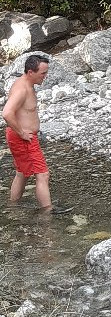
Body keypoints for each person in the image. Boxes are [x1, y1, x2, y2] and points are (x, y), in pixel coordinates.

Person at [2, 54, 53, 210]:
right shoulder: (22, 89)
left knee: (22, 173)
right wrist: (23, 134)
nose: (45, 76)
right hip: (24, 138)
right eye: (43, 73)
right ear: (31, 72)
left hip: (19, 136)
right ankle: (48, 213)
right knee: (43, 174)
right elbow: (6, 113)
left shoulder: (26, 84)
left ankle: (13, 206)